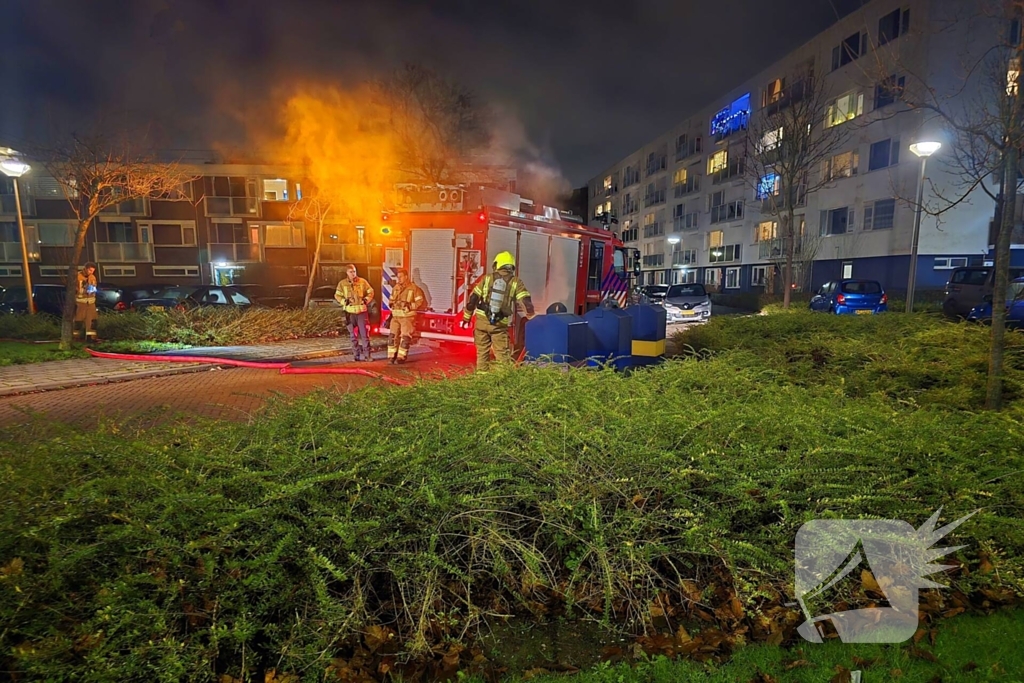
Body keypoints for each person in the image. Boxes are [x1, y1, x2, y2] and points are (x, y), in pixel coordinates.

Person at [459, 251, 535, 371]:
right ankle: (501, 383)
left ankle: (481, 381)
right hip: (499, 326)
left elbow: (473, 299)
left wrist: (466, 318)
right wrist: (532, 317)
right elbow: (526, 302)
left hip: (482, 323)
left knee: (482, 354)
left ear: (497, 264)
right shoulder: (516, 282)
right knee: (502, 357)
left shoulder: (487, 278)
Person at [335, 264, 375, 361]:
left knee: (365, 335)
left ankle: (367, 355)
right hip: (350, 313)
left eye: (354, 271)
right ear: (347, 273)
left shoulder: (362, 282)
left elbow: (371, 292)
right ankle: (356, 355)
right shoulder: (342, 284)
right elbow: (337, 295)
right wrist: (344, 302)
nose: (353, 274)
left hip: (361, 312)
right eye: (351, 272)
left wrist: (366, 300)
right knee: (353, 336)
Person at [387, 269, 426, 364]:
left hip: (407, 317)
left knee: (405, 337)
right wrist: (391, 304)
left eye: (400, 277)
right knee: (392, 337)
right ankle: (392, 357)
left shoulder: (414, 288)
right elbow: (391, 299)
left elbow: (420, 301)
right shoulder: (396, 287)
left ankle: (401, 357)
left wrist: (410, 306)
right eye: (398, 277)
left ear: (406, 277)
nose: (398, 279)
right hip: (395, 316)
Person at [74, 262, 99, 342]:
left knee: (92, 320)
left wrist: (91, 290)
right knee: (79, 320)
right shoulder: (77, 277)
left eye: (93, 271)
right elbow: (74, 290)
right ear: (85, 268)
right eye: (90, 270)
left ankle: (90, 338)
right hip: (81, 302)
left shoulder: (92, 277)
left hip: (91, 303)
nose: (91, 272)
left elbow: (94, 288)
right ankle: (76, 337)